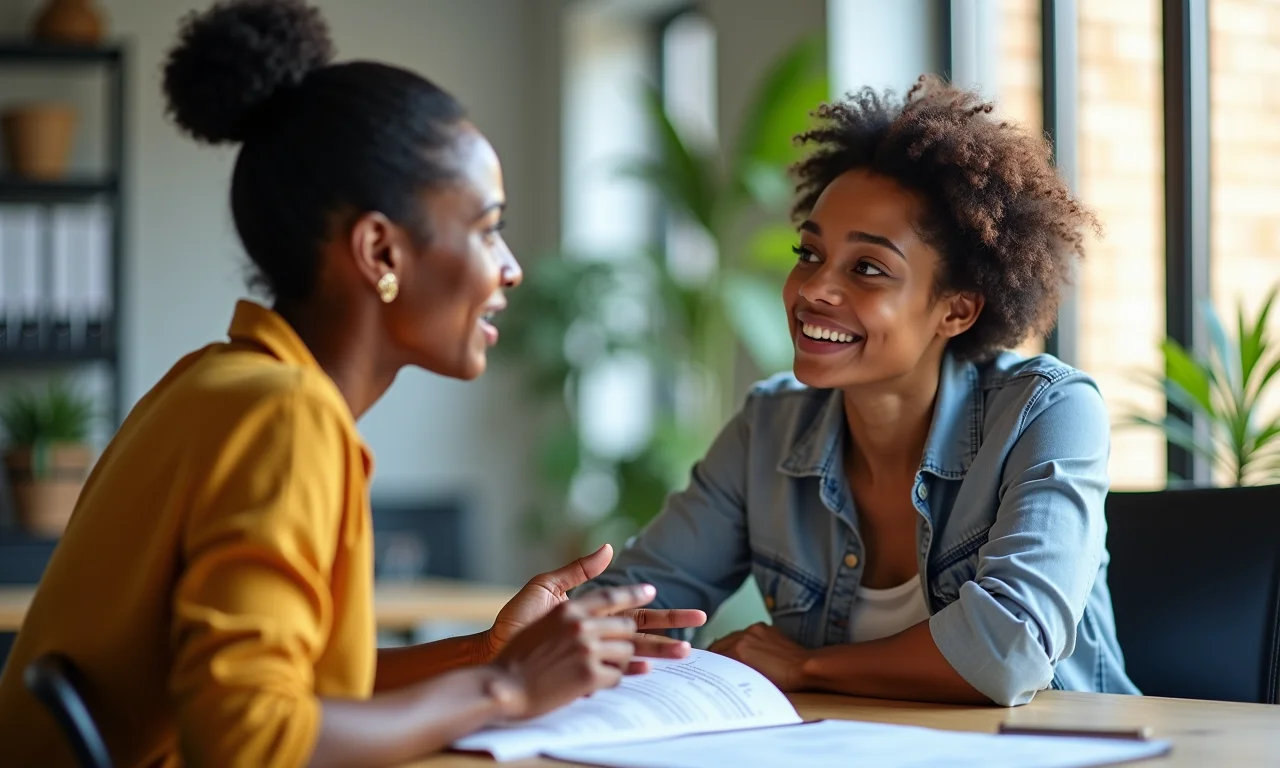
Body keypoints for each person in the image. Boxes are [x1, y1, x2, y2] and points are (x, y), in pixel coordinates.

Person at [0, 1, 705, 766]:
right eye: (485, 226)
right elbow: (249, 741)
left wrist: (487, 654)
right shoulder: (285, 416)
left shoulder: (216, 381)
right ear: (380, 252)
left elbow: (287, 691)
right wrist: (505, 690)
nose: (510, 266)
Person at [583, 77, 1140, 707]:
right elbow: (638, 601)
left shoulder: (1049, 412)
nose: (814, 289)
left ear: (956, 311)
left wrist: (807, 667)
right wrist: (560, 633)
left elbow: (1008, 650)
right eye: (810, 253)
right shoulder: (769, 427)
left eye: (868, 268)